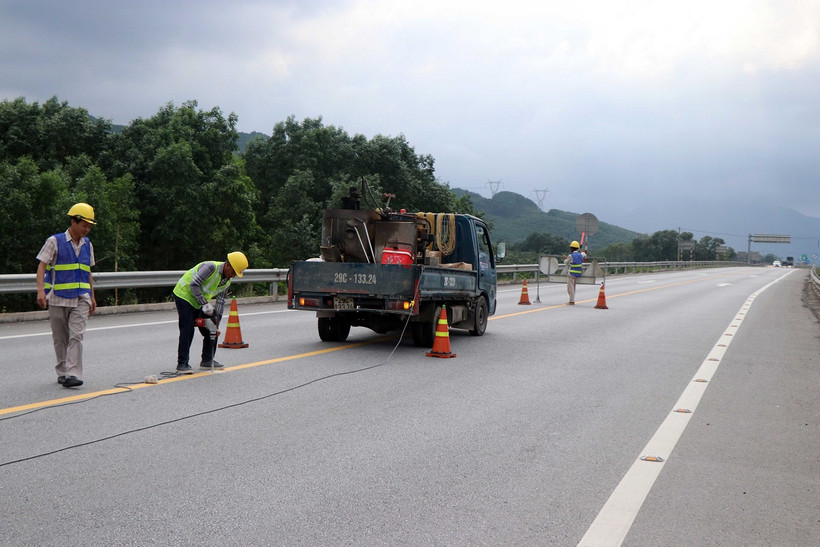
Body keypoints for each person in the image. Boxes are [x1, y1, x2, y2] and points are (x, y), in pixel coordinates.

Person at [36, 203, 98, 388]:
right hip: (58, 297)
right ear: (73, 221)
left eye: (89, 226)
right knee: (60, 338)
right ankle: (62, 372)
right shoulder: (54, 241)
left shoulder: (88, 245)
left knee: (76, 335)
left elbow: (87, 272)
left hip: (81, 297)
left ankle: (72, 373)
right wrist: (41, 291)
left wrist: (92, 296)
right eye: (84, 225)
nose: (87, 230)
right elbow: (42, 266)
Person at [172, 251, 248, 374]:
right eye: (234, 272)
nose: (234, 275)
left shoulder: (227, 281)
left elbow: (221, 301)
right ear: (228, 265)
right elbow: (194, 285)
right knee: (188, 328)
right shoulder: (211, 267)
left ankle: (207, 360)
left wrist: (216, 321)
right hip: (184, 296)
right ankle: (182, 364)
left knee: (212, 328)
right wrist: (205, 304)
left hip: (199, 302)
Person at [564, 240, 586, 305]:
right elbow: (585, 255)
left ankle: (571, 301)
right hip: (578, 273)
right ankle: (572, 299)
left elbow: (566, 262)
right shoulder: (581, 255)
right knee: (573, 287)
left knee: (570, 288)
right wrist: (581, 251)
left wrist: (565, 258)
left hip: (571, 274)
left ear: (572, 248)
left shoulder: (571, 255)